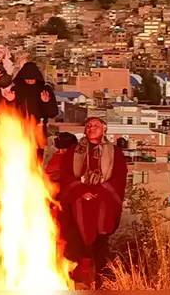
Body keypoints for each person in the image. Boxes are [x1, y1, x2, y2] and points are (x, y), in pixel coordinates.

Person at [59, 117, 128, 287]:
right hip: (77, 204)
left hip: (102, 204)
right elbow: (65, 174)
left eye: (96, 125)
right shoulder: (74, 151)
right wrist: (81, 190)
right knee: (74, 245)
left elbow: (119, 177)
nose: (92, 128)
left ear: (104, 129)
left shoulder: (114, 152)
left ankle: (100, 283)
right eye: (88, 125)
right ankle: (71, 283)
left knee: (100, 247)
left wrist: (98, 191)